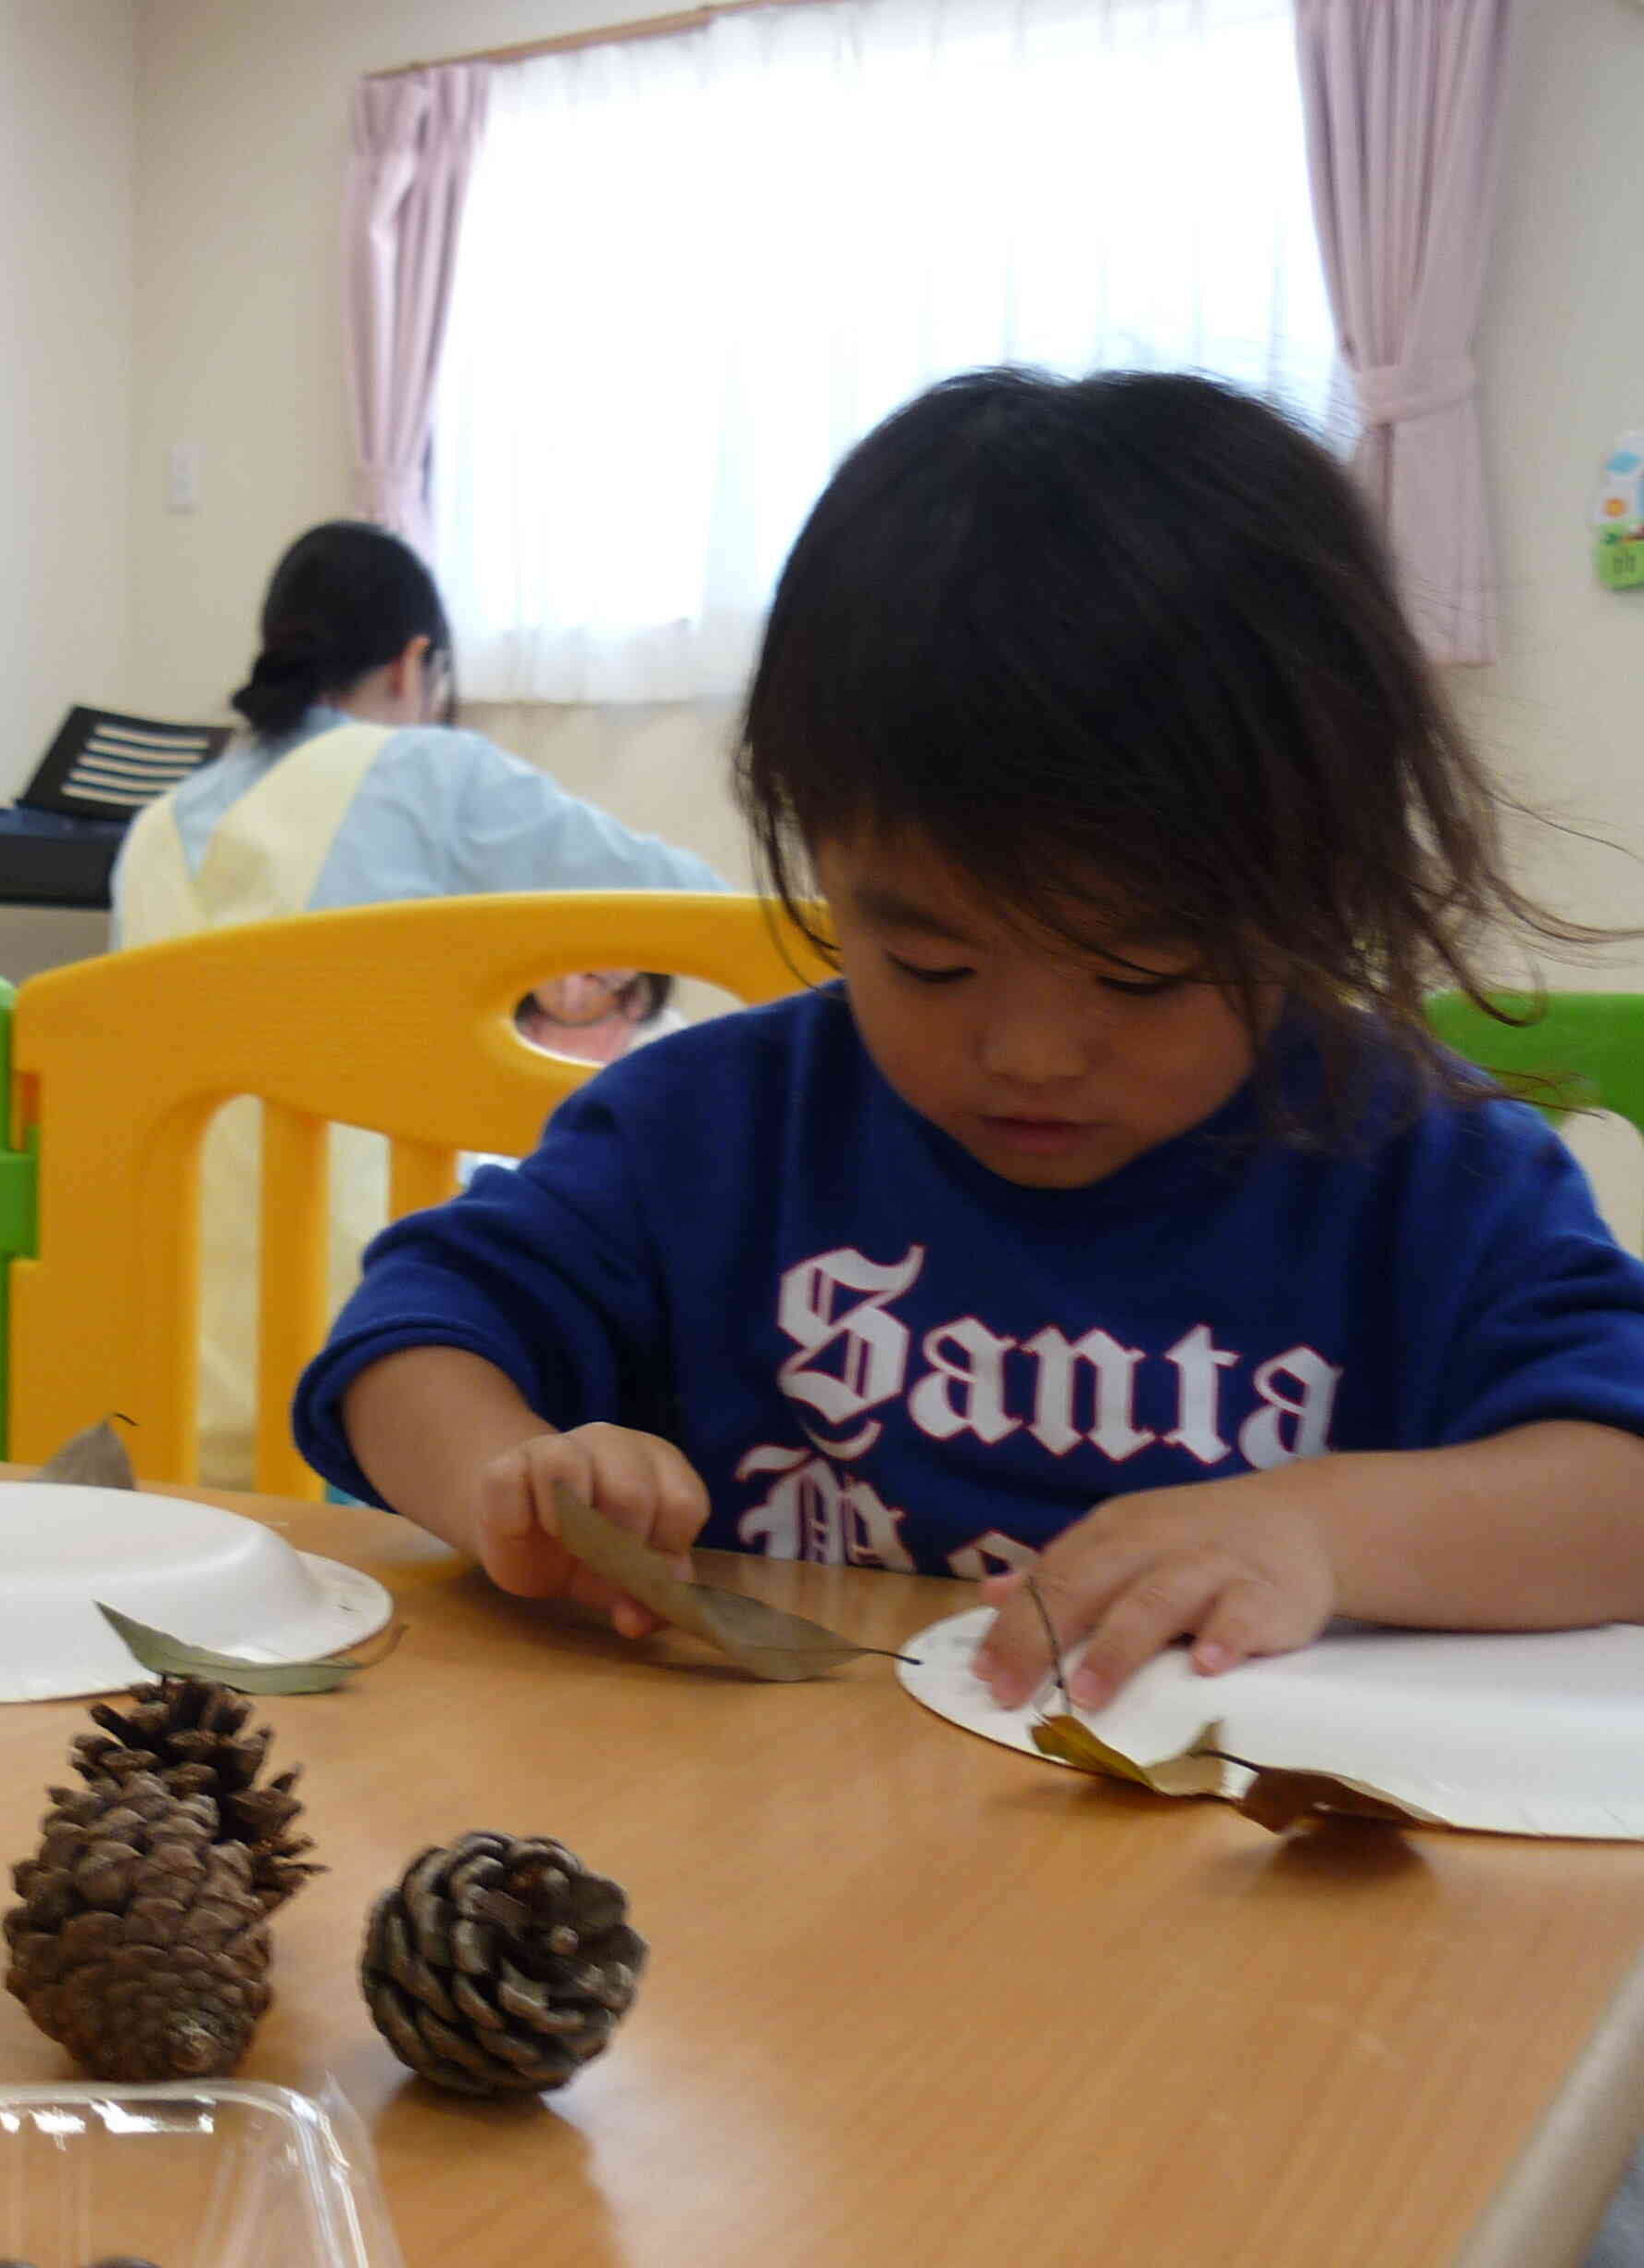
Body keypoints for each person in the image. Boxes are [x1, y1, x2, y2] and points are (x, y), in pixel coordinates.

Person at [297, 369, 1644, 1707]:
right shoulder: (713, 1135)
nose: (1032, 1054)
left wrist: (1324, 1530)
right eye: (932, 962)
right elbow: (406, 1341)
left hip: (1248, 1880)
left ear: (1316, 890)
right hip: (781, 1851)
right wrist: (510, 1479)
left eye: (1145, 973)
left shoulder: (1422, 1168)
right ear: (818, 851)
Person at [113, 520, 722, 1485]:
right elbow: (699, 909)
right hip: (365, 1384)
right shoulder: (429, 769)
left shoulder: (145, 832)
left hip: (146, 1390)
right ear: (415, 666)